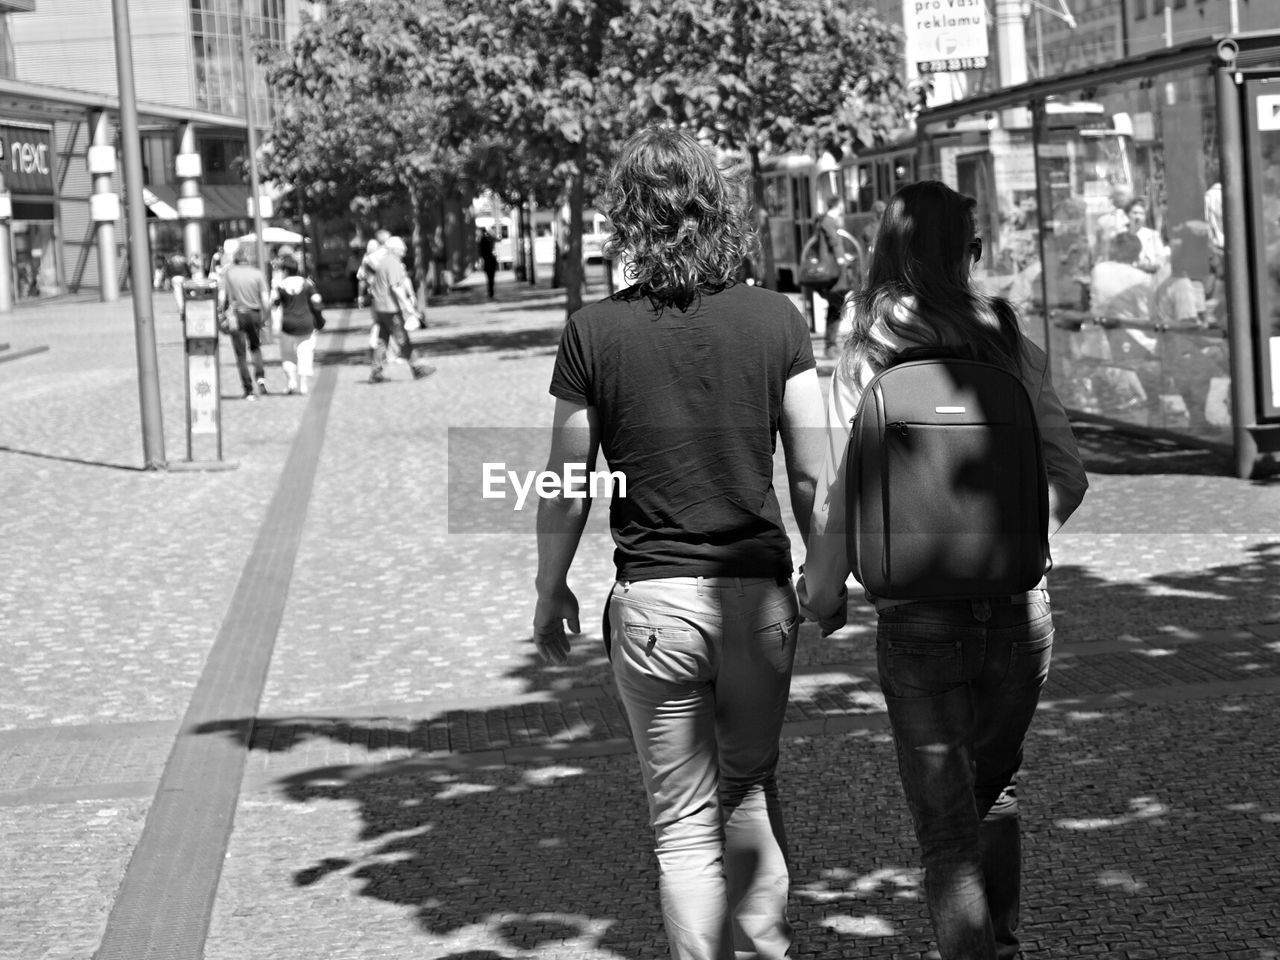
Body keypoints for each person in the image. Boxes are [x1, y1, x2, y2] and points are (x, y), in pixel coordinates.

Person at [532, 126, 828, 960]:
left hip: (657, 605)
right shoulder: (778, 319)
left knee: (684, 826)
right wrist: (826, 572)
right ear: (718, 207)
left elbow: (565, 483)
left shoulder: (593, 333)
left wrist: (550, 589)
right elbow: (814, 477)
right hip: (757, 598)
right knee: (748, 794)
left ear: (628, 218)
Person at [797, 180, 1088, 960]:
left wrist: (822, 594)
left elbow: (835, 495)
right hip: (1019, 610)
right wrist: (1022, 545)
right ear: (968, 253)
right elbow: (1068, 473)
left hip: (918, 615)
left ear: (887, 252)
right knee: (996, 792)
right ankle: (1003, 947)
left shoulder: (864, 352)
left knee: (946, 830)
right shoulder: (1005, 338)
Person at [367, 235, 434, 383]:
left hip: (379, 307)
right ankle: (417, 368)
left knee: (382, 340)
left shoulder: (383, 262)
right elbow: (396, 287)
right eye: (402, 249)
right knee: (402, 338)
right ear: (395, 249)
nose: (404, 251)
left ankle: (376, 371)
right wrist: (408, 306)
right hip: (390, 308)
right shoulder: (393, 263)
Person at [218, 245, 271, 400]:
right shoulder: (257, 274)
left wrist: (221, 314)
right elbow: (266, 301)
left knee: (241, 354)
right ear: (247, 260)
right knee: (255, 348)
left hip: (237, 315)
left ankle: (248, 389)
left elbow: (222, 299)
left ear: (235, 259)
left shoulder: (229, 274)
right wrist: (265, 318)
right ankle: (261, 379)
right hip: (255, 314)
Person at [271, 254, 325, 396]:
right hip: (306, 324)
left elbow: (274, 304)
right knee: (305, 353)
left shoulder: (280, 285)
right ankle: (304, 385)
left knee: (287, 354)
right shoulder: (307, 283)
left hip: (288, 324)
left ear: (285, 270)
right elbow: (317, 299)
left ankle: (291, 382)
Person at [813, 188, 855, 358]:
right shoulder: (828, 221)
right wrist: (841, 258)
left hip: (833, 270)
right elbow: (834, 242)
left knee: (835, 305)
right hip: (834, 272)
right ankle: (830, 345)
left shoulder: (827, 221)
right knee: (836, 305)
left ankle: (831, 344)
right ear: (838, 205)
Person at [478, 227, 499, 298]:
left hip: (487, 261)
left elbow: (480, 253)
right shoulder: (490, 239)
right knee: (491, 277)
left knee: (489, 278)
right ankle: (491, 291)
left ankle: (490, 291)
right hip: (491, 260)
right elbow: (496, 239)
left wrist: (481, 262)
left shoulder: (482, 240)